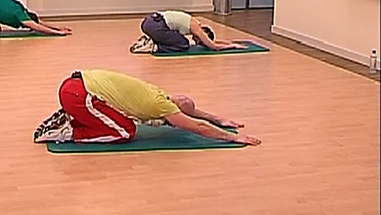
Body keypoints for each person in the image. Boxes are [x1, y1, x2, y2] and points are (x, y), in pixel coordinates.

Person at [33, 69, 261, 146]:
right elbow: (198, 126)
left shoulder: (158, 94)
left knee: (121, 121)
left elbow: (194, 112)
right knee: (125, 132)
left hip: (74, 86)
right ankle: (69, 132)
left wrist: (220, 119)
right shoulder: (161, 106)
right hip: (79, 95)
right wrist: (233, 138)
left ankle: (71, 118)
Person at [130, 10, 247, 54]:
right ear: (205, 32)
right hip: (156, 26)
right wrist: (233, 46)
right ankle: (153, 47)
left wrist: (229, 42)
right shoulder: (196, 27)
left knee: (175, 38)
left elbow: (213, 42)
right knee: (184, 44)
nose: (197, 42)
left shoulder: (192, 23)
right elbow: (214, 46)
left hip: (148, 22)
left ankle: (148, 41)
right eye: (202, 40)